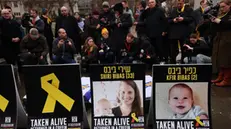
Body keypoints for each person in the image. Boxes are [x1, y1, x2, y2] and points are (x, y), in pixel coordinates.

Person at [211, 0, 231, 87]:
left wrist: (220, 21)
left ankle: (227, 79)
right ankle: (221, 76)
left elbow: (228, 24)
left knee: (226, 59)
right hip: (220, 37)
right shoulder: (222, 14)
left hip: (228, 38)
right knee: (219, 57)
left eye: (224, 6)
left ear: (229, 5)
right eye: (221, 7)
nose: (222, 9)